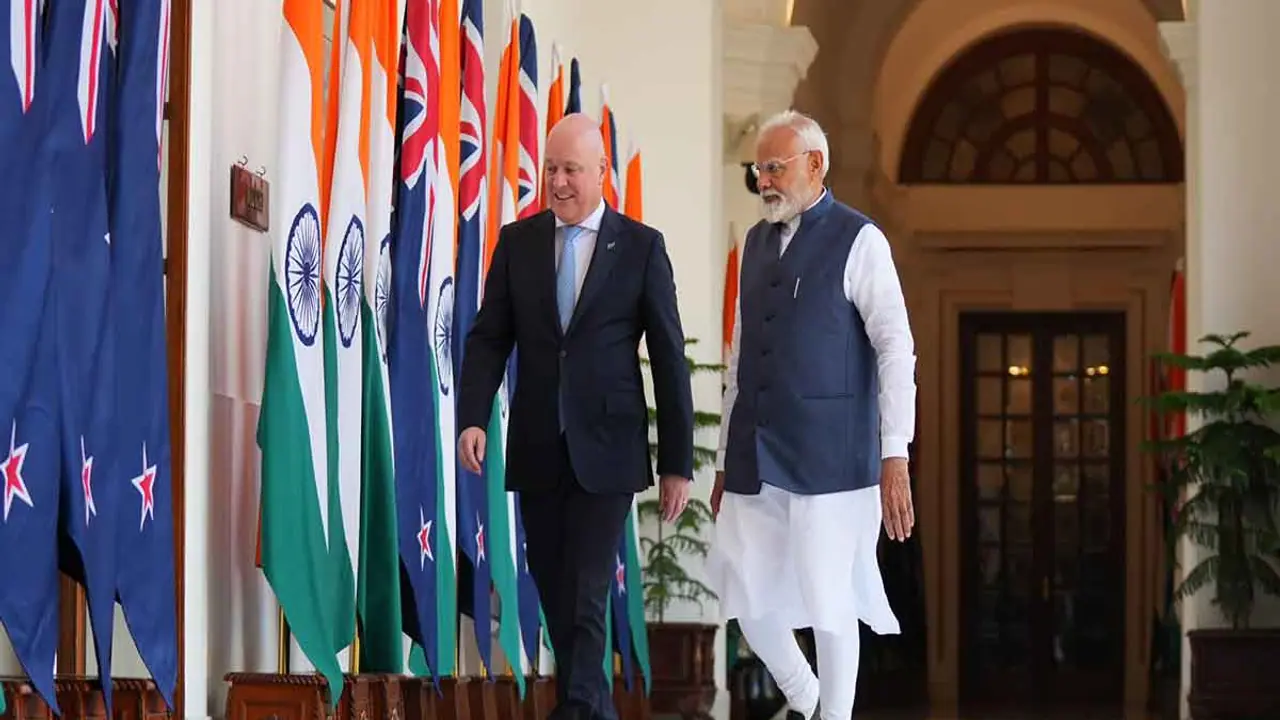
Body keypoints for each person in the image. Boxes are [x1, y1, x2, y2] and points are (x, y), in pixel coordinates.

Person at [457, 113, 695, 720]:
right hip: (539, 444)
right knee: (556, 587)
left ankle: (577, 709)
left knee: (589, 585)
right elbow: (489, 338)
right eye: (551, 169)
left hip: (608, 448)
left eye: (571, 170)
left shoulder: (641, 247)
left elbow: (668, 357)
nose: (558, 182)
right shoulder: (518, 243)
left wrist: (676, 464)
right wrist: (473, 416)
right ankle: (591, 707)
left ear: (601, 174)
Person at [707, 109, 917, 720]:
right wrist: (723, 458)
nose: (764, 180)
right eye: (758, 168)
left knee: (830, 600)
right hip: (756, 451)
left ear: (815, 165)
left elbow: (894, 345)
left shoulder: (861, 239)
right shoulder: (755, 242)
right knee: (745, 588)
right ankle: (802, 692)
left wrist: (895, 450)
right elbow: (740, 353)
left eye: (775, 167)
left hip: (835, 459)